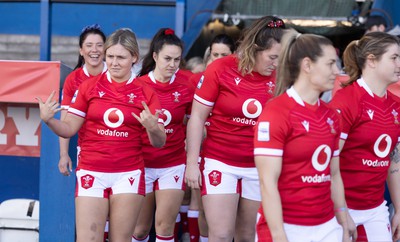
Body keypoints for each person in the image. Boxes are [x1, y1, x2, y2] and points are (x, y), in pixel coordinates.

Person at [37, 28, 166, 242]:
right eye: (111, 56)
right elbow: (68, 128)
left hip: (128, 173)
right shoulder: (88, 87)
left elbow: (159, 142)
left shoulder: (146, 92)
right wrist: (49, 120)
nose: (114, 63)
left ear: (134, 57)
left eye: (121, 57)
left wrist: (153, 127)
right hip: (91, 170)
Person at [185, 16, 286, 242]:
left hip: (259, 166)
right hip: (220, 161)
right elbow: (197, 117)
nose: (275, 63)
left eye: (280, 58)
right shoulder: (221, 68)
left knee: (248, 235)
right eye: (272, 57)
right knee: (221, 235)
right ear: (254, 49)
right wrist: (192, 163)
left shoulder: (280, 76)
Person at [253, 29, 354, 242]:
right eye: (330, 63)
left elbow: (333, 174)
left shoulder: (332, 116)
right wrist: (279, 235)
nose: (337, 71)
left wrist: (343, 218)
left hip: (327, 226)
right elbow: (267, 182)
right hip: (288, 227)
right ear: (307, 65)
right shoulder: (276, 112)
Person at [329, 31, 400, 241]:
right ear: (372, 61)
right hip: (338, 208)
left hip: (375, 209)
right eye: (394, 58)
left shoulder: (395, 106)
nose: (399, 63)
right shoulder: (346, 101)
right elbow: (329, 163)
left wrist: (398, 208)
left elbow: (393, 161)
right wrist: (341, 211)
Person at [131, 28, 194, 242]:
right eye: (167, 58)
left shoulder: (186, 84)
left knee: (165, 228)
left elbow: (193, 121)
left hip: (173, 163)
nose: (172, 64)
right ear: (155, 56)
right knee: (140, 229)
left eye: (177, 59)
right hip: (143, 164)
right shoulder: (138, 86)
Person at [183, 32, 237, 242]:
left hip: (227, 152)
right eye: (215, 54)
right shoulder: (197, 80)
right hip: (200, 148)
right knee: (201, 205)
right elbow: (188, 115)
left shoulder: (238, 81)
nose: (219, 59)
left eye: (224, 54)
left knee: (229, 219)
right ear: (209, 55)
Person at [59, 24, 107, 177]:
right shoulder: (73, 79)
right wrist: (64, 154)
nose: (95, 50)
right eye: (89, 45)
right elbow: (65, 120)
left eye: (99, 45)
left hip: (120, 151)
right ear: (81, 51)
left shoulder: (116, 74)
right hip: (88, 151)